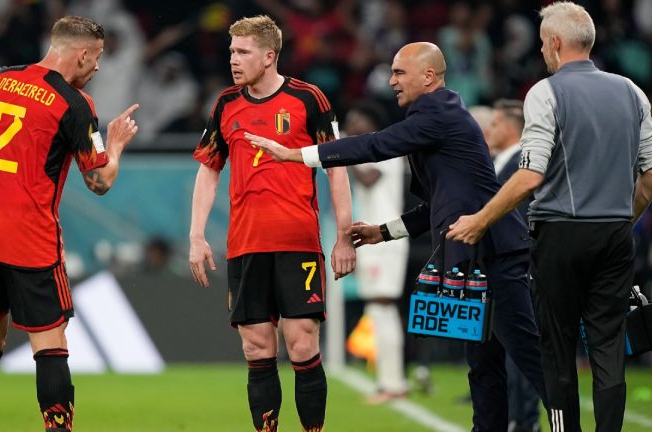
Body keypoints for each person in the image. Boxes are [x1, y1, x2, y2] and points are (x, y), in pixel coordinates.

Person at [247, 41, 548, 432]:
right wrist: (381, 232)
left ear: (428, 76)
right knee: (483, 365)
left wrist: (297, 155)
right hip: (470, 258)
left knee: (526, 353)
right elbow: (435, 208)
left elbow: (375, 145)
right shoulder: (436, 118)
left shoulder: (438, 112)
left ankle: (568, 423)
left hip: (494, 253)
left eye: (399, 73)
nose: (391, 81)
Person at [447, 2, 652, 431]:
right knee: (608, 348)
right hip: (616, 235)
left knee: (556, 350)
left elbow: (530, 175)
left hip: (559, 236)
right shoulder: (634, 92)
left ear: (556, 43)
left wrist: (480, 219)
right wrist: (619, 222)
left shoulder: (545, 92)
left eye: (542, 43)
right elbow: (649, 181)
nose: (542, 51)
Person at [0, 16, 139, 432]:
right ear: (82, 54)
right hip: (29, 239)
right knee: (50, 347)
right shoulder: (73, 103)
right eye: (97, 58)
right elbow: (99, 181)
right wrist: (116, 145)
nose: (98, 67)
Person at [188, 15, 355, 432]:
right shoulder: (226, 103)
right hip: (246, 244)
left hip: (297, 240)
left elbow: (337, 167)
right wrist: (196, 235)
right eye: (231, 51)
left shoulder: (308, 98)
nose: (233, 59)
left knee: (302, 343)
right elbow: (209, 169)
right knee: (257, 347)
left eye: (242, 52)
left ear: (269, 56)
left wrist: (344, 238)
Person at [345, 102, 409, 403]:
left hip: (387, 239)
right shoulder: (368, 152)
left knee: (382, 306)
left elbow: (369, 180)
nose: (350, 126)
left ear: (370, 121)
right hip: (373, 239)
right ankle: (390, 381)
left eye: (355, 119)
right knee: (378, 309)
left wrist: (342, 153)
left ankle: (392, 383)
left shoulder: (386, 148)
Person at [487, 98, 541, 432]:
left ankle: (526, 421)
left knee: (523, 349)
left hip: (519, 267)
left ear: (509, 129)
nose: (487, 131)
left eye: (493, 125)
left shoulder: (523, 165)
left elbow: (522, 218)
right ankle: (515, 418)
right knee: (510, 350)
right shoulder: (501, 163)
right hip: (505, 269)